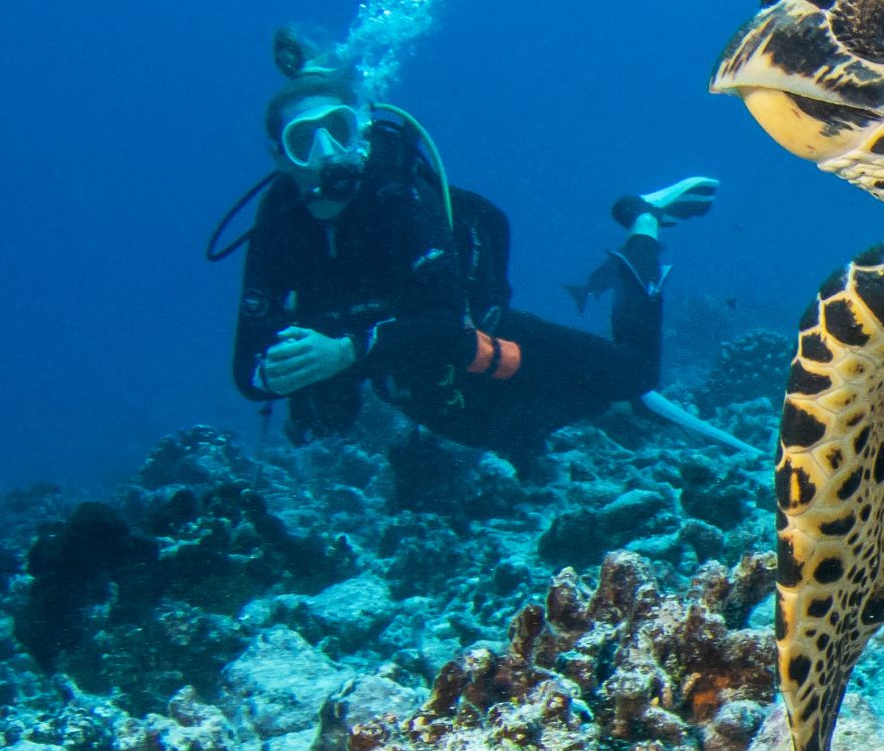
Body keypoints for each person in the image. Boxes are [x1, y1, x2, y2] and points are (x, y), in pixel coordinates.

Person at [218, 28, 749, 460]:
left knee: (635, 373)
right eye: (303, 140)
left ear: (360, 129)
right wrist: (277, 372)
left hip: (478, 324)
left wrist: (344, 351)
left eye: (338, 127)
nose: (327, 152)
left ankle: (641, 217)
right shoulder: (279, 227)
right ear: (281, 159)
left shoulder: (398, 195)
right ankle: (588, 414)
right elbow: (247, 367)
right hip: (411, 369)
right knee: (516, 436)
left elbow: (445, 322)